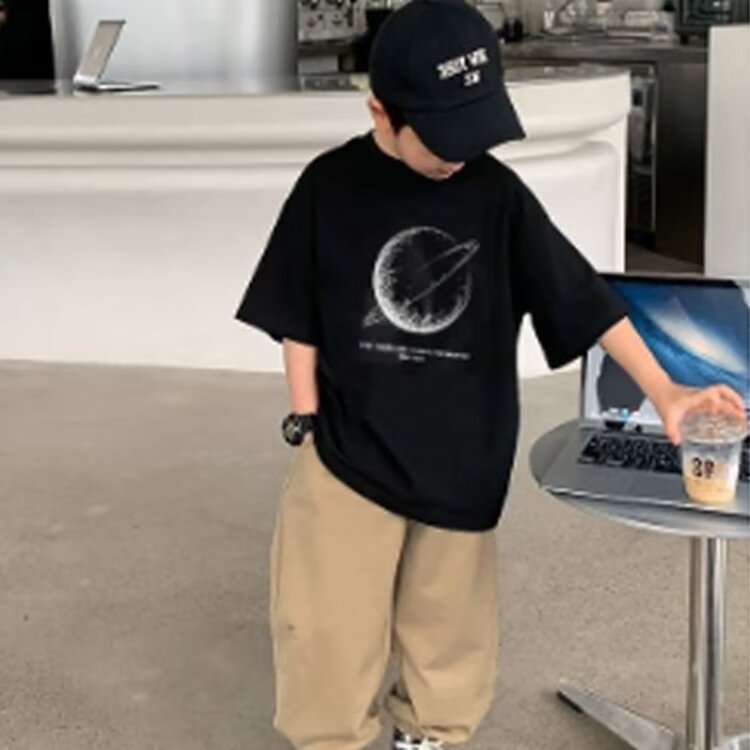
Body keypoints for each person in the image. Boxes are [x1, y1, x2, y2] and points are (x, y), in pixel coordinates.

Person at [234, 2, 745, 749]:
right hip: (347, 451)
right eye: (444, 138)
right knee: (324, 627)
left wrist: (665, 390)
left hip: (462, 456)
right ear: (381, 112)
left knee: (448, 629)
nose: (461, 156)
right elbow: (297, 315)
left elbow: (582, 299)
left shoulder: (495, 195)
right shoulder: (328, 186)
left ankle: (429, 736)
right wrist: (306, 419)